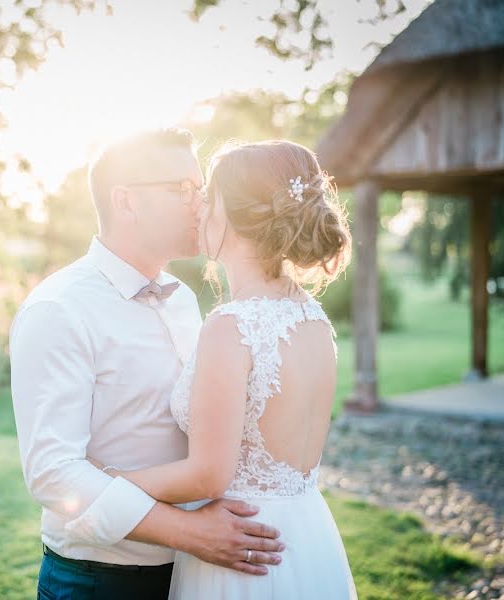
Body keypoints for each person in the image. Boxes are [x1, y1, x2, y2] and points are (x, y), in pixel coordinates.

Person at [9, 129, 285, 600]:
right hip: (102, 578)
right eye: (183, 190)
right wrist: (189, 531)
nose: (200, 205)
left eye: (200, 191)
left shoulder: (183, 300)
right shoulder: (58, 308)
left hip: (196, 573)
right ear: (127, 201)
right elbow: (52, 472)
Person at [89, 139, 358, 598]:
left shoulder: (232, 325)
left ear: (232, 215)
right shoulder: (314, 319)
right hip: (306, 533)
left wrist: (107, 483)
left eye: (207, 196)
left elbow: (209, 475)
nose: (197, 209)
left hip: (240, 544)